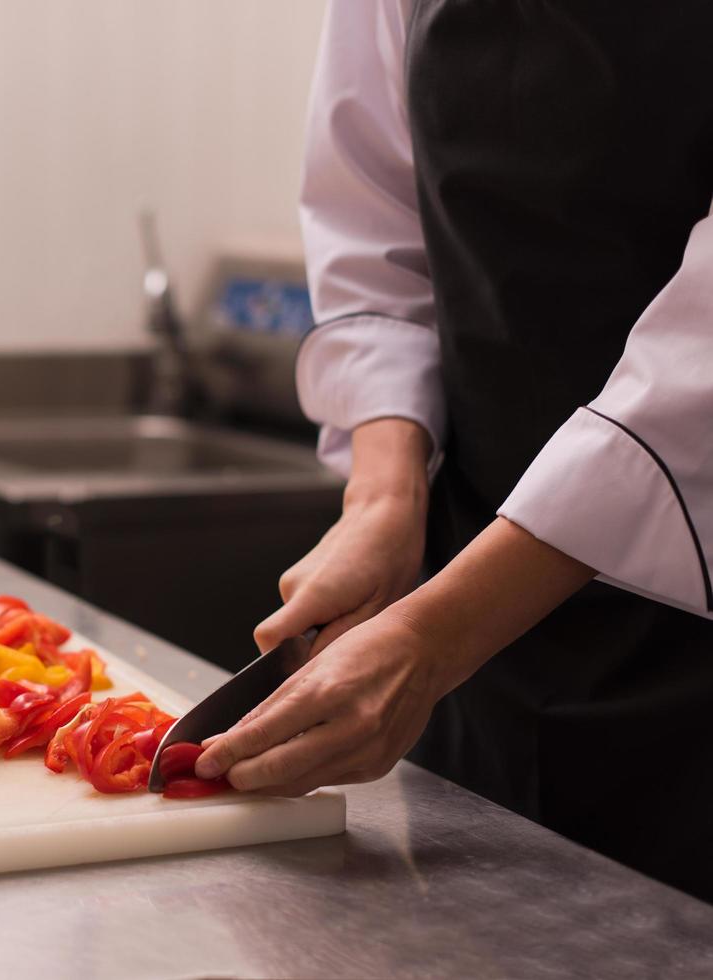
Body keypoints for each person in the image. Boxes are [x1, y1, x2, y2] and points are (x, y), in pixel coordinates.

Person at [194, 0, 713, 902]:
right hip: (471, 614)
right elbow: (371, 219)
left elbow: (696, 370)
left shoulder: (434, 642)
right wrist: (383, 500)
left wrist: (436, 638)